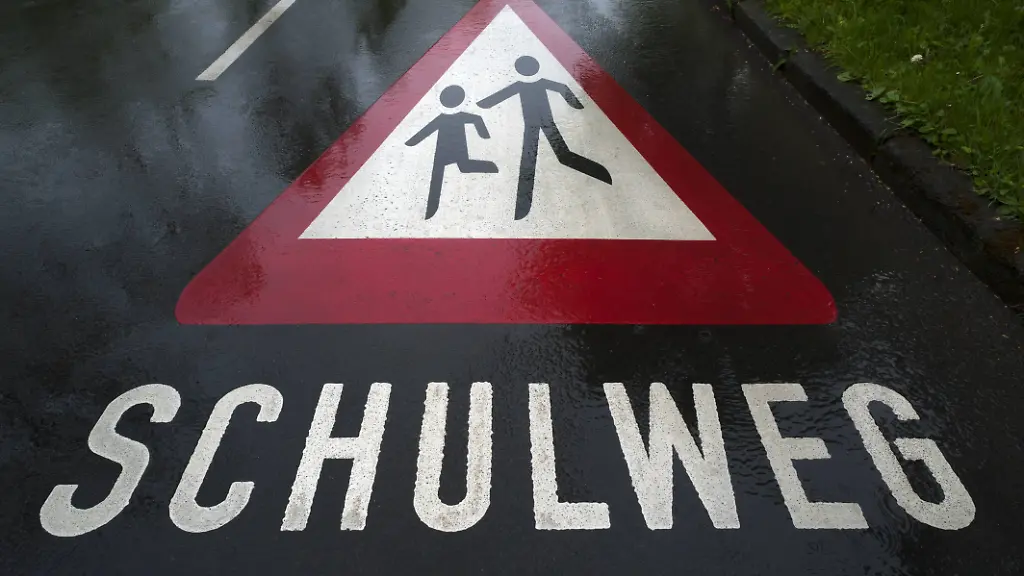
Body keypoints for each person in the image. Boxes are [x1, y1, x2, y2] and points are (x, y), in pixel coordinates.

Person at [478, 55, 612, 220]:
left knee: (551, 157)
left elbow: (561, 88)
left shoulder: (532, 84)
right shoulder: (526, 85)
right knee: (538, 159)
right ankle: (522, 207)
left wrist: (577, 104)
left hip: (545, 124)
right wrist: (576, 104)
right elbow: (498, 97)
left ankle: (599, 172)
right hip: (535, 126)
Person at [405, 85, 499, 219]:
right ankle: (431, 209)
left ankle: (490, 166)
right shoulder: (445, 118)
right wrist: (484, 135)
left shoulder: (444, 118)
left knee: (460, 168)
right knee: (441, 173)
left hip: (452, 149)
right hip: (444, 150)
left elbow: (426, 131)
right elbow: (476, 119)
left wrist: (412, 142)